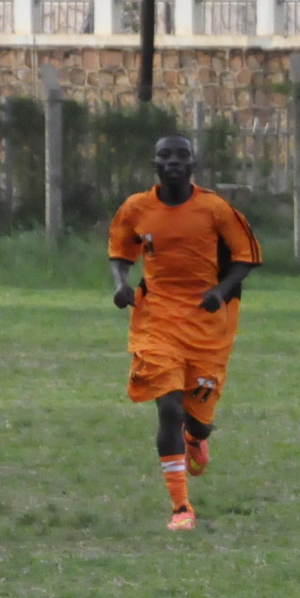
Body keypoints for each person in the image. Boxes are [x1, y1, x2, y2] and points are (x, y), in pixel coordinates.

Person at [107, 135, 261, 530]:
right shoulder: (136, 208)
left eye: (181, 156)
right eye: (164, 155)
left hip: (208, 326)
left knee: (197, 419)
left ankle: (197, 437)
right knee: (169, 409)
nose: (173, 162)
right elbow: (120, 253)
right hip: (156, 320)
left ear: (194, 164)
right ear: (154, 163)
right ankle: (181, 508)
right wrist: (120, 284)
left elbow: (246, 257)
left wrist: (220, 291)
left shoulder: (214, 208)